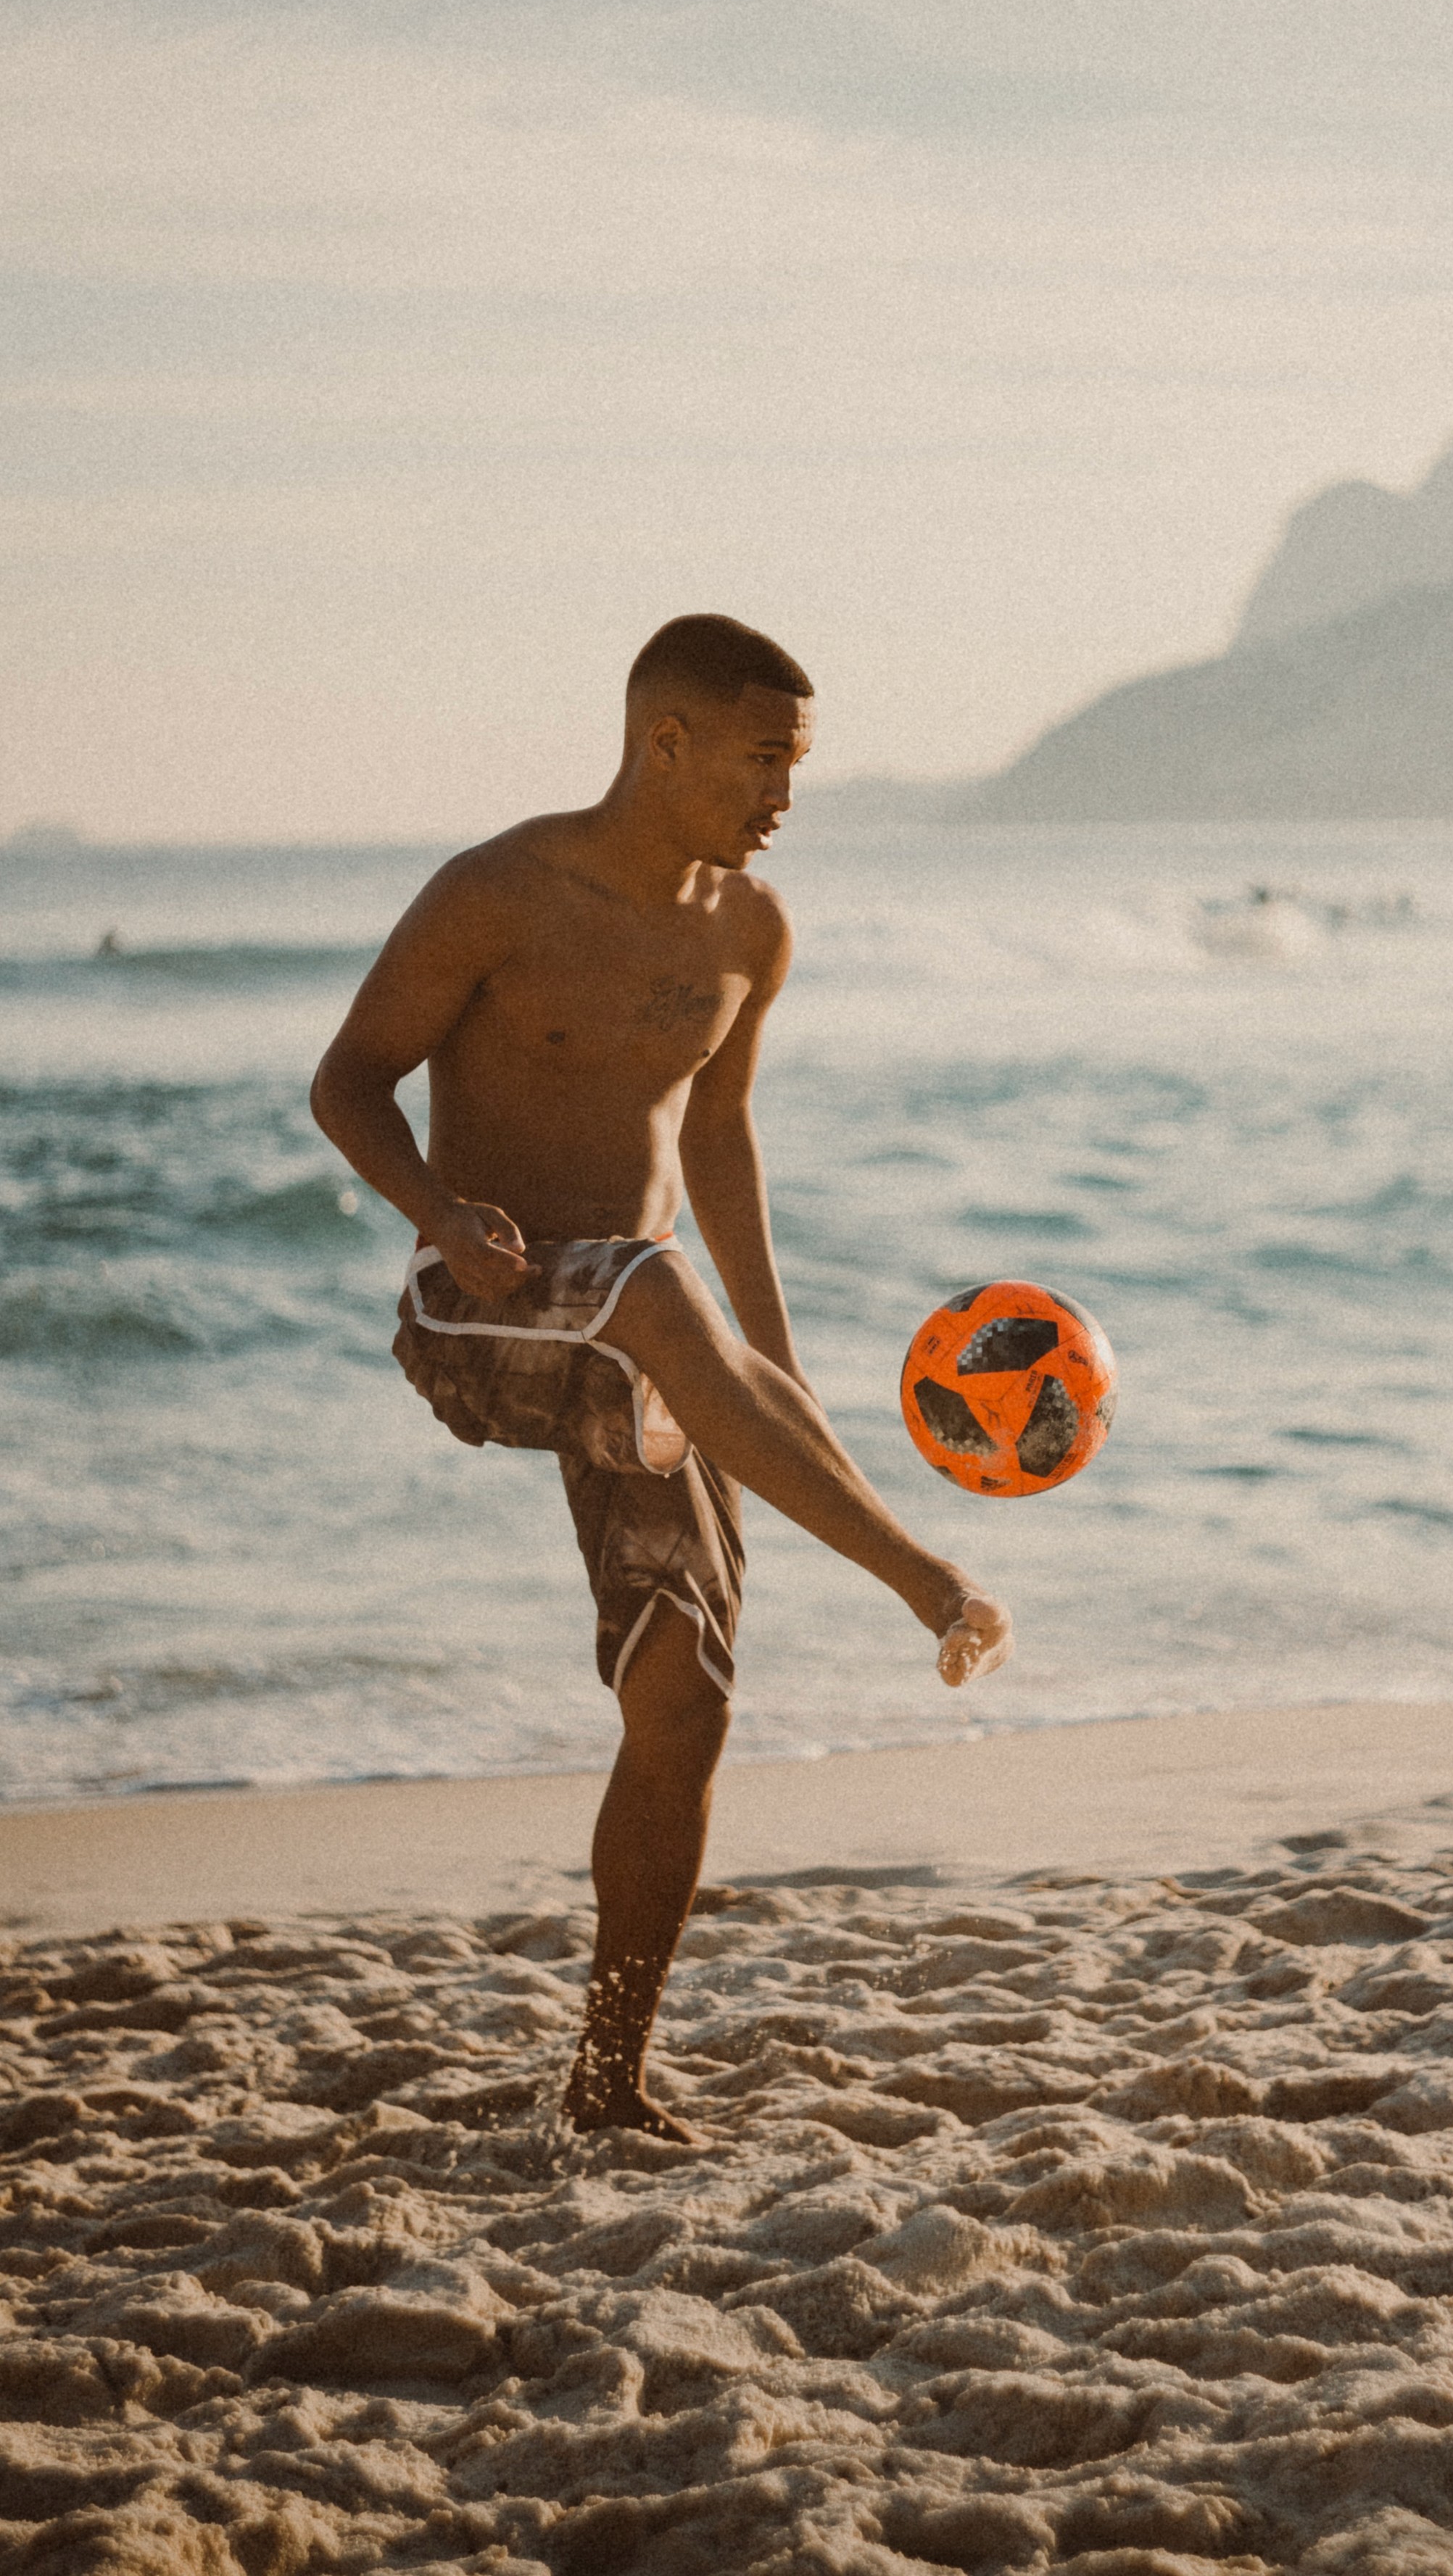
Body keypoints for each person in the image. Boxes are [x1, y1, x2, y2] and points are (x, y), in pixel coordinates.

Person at [310, 615, 1012, 2143]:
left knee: (682, 1695)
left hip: (647, 1337)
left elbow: (716, 1139)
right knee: (650, 1285)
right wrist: (440, 1215)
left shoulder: (750, 931)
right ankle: (920, 1572)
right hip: (484, 1316)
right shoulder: (495, 892)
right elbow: (345, 1080)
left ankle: (608, 2075)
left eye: (798, 763)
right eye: (765, 757)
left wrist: (770, 1366)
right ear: (667, 739)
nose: (784, 791)